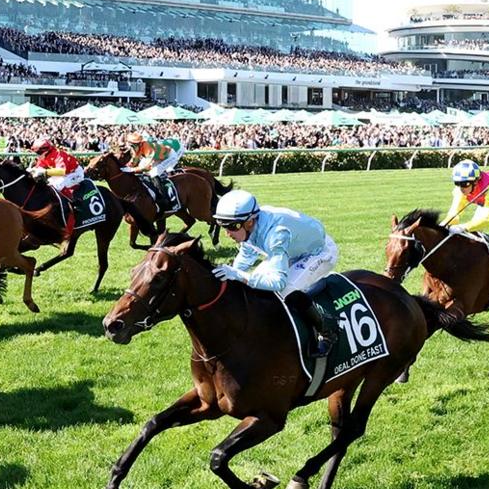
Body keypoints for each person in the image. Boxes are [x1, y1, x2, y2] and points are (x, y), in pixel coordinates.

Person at [210, 188, 341, 351]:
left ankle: (328, 329)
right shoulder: (252, 226)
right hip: (292, 249)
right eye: (223, 226)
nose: (227, 233)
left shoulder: (276, 234)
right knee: (257, 282)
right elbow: (245, 256)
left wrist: (240, 276)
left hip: (320, 252)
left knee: (286, 289)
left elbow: (278, 282)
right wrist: (231, 274)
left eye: (231, 227)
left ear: (249, 221)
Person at [127, 131, 185, 209]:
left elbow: (146, 166)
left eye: (131, 145)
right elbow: (134, 161)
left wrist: (132, 169)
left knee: (154, 172)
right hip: (159, 157)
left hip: (170, 156)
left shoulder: (148, 148)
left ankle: (163, 198)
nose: (130, 147)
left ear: (138, 144)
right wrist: (125, 166)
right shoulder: (137, 148)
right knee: (147, 171)